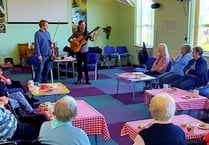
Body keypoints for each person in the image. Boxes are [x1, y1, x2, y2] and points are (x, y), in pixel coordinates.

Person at [68, 20, 97, 85]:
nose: (83, 26)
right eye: (82, 24)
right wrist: (75, 41)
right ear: (79, 25)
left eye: (84, 25)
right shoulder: (76, 33)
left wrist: (94, 34)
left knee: (86, 66)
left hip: (85, 51)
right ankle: (79, 79)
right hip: (78, 51)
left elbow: (92, 39)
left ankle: (87, 80)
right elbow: (69, 39)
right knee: (79, 66)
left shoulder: (87, 33)